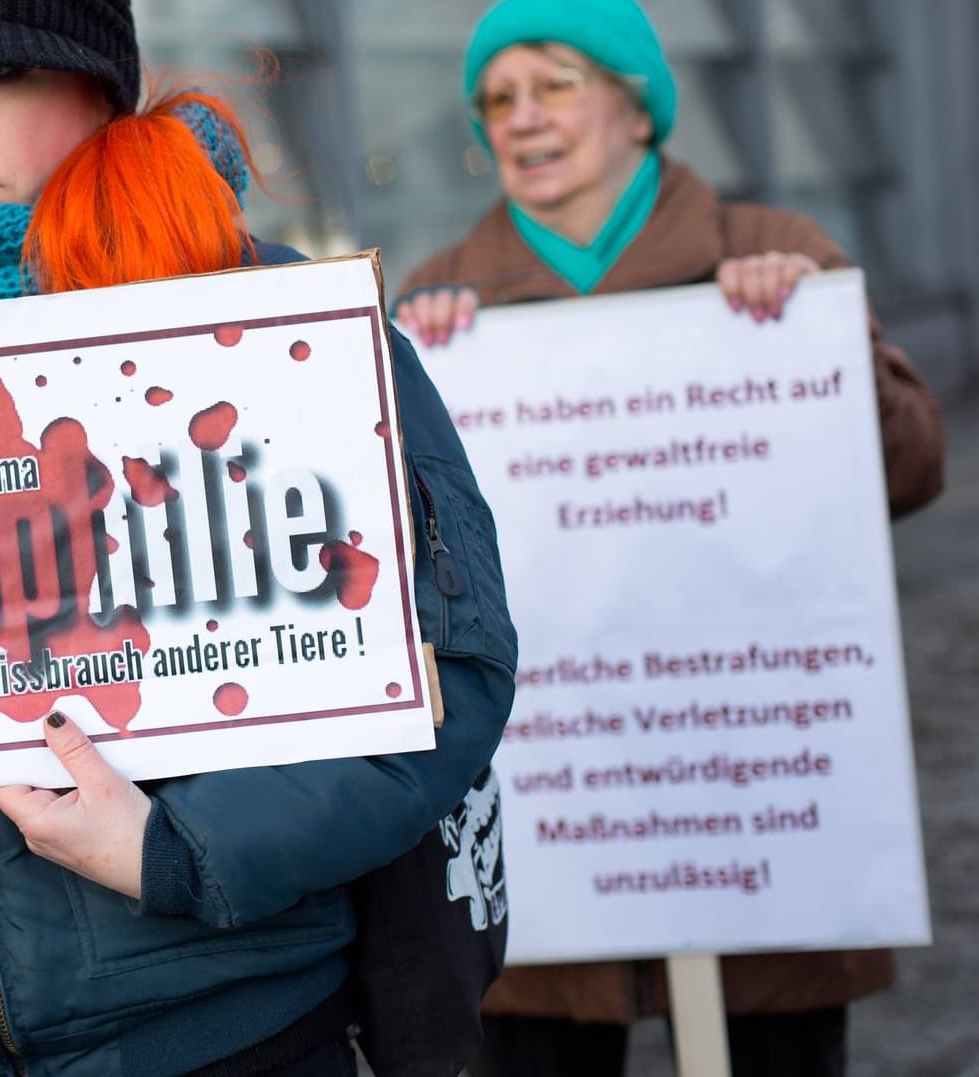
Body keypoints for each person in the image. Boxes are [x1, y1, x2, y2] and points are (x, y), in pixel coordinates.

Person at [0, 2, 519, 1074]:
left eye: (0, 72)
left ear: (99, 87)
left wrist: (178, 851)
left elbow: (449, 665)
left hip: (227, 1032)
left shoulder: (268, 330)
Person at [393, 2, 946, 1074]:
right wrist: (421, 367)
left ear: (637, 105)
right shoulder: (439, 295)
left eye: (554, 84)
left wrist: (818, 350)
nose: (521, 118)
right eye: (498, 99)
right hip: (560, 802)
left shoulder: (774, 255)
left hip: (740, 796)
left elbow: (913, 469)